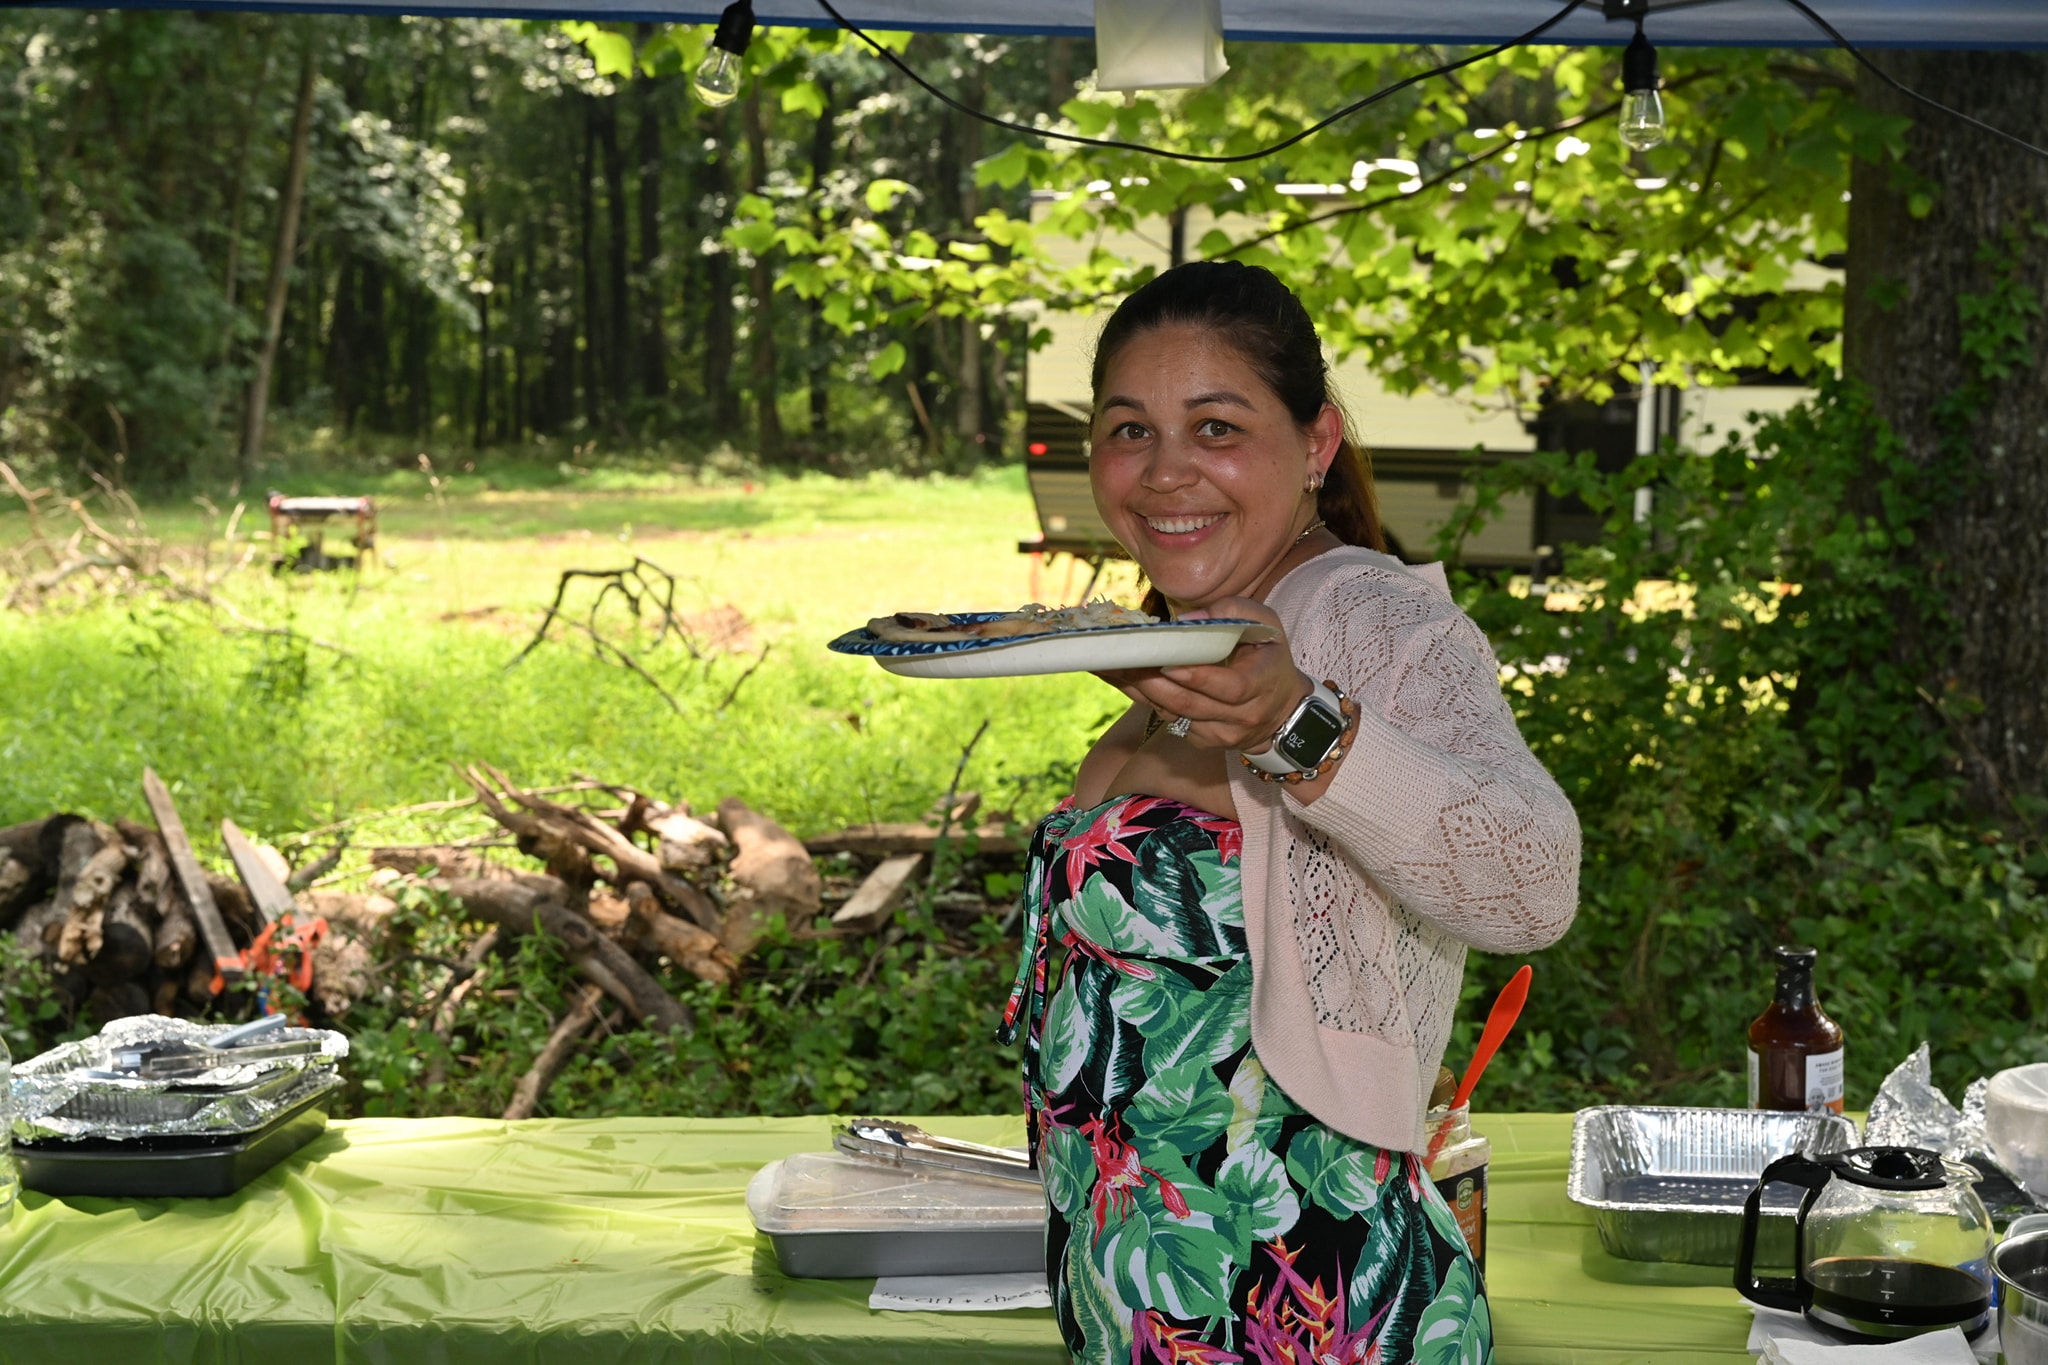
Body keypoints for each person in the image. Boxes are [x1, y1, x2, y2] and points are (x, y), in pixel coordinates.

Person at [999, 260, 1580, 1364]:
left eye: (1214, 427)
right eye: (1129, 430)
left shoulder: (1367, 618)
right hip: (1150, 1293)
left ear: (1314, 445)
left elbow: (1532, 883)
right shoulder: (1178, 645)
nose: (1165, 472)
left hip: (1299, 1295)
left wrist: (1297, 728)